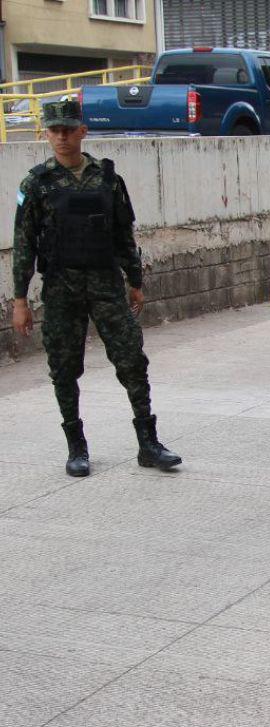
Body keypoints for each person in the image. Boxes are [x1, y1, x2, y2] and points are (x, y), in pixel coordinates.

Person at [10, 99, 181, 477]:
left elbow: (123, 234)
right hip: (62, 288)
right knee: (63, 367)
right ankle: (77, 447)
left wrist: (135, 281)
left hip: (106, 284)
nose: (62, 137)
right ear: (46, 134)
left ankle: (149, 444)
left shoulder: (108, 179)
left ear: (82, 131)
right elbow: (24, 245)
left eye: (68, 130)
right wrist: (20, 300)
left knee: (132, 360)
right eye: (55, 131)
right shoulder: (36, 184)